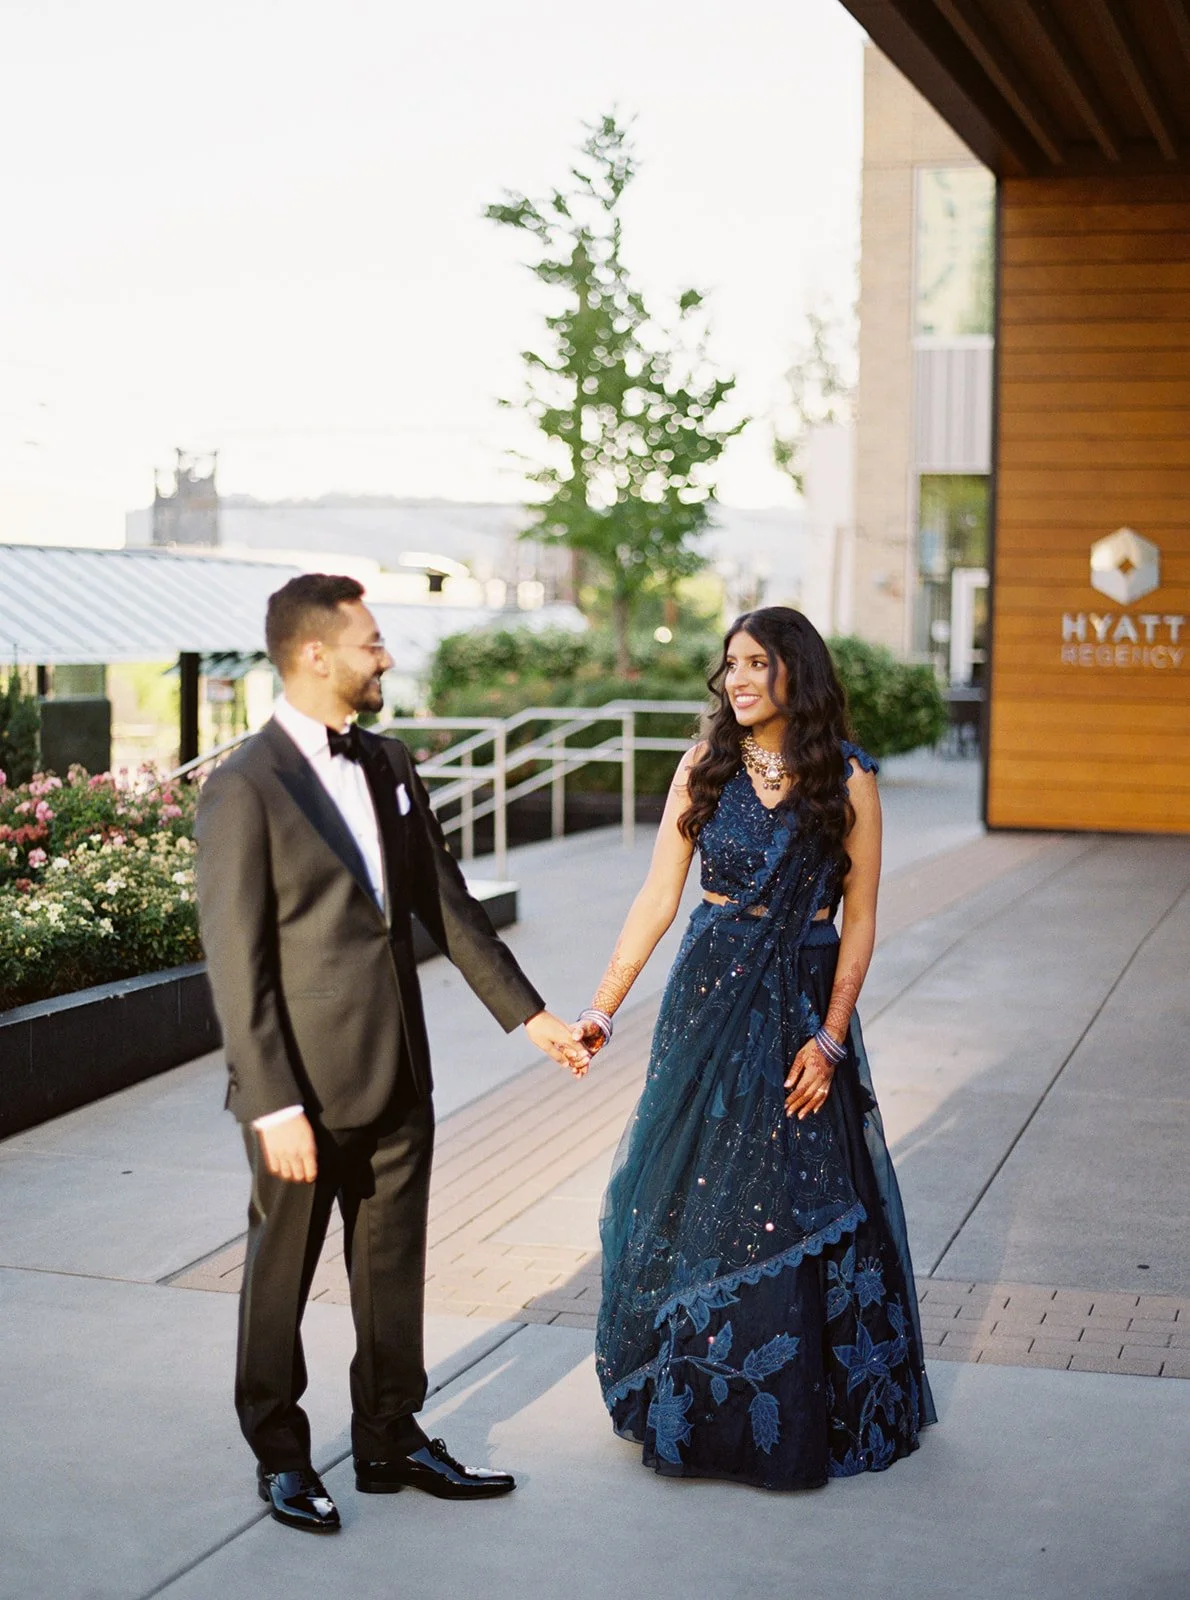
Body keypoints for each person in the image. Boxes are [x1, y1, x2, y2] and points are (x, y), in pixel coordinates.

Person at [195, 573, 589, 1534]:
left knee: (392, 1266)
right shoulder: (243, 787)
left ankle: (389, 1437)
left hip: (399, 1073)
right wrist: (270, 1102)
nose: (387, 657)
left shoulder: (390, 763)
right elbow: (236, 964)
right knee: (279, 1279)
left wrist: (531, 1018)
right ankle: (281, 1457)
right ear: (315, 654)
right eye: (372, 642)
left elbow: (445, 906)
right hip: (300, 1095)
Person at [572, 606, 935, 1489]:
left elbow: (862, 920)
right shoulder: (706, 765)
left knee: (801, 1191)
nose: (735, 680)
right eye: (728, 665)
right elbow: (660, 894)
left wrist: (832, 1037)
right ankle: (698, 1409)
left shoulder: (847, 779)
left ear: (794, 673)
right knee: (699, 1189)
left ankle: (803, 1413)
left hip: (805, 1002)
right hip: (708, 1000)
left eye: (755, 663)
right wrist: (604, 1009)